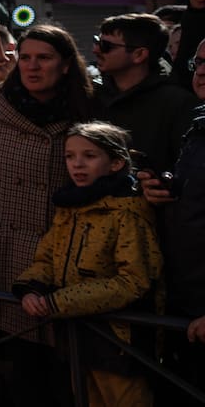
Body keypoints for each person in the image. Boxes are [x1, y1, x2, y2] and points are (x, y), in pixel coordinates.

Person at [0, 25, 95, 403]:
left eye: (43, 58)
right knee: (7, 374)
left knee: (63, 375)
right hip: (2, 256)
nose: (32, 66)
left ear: (65, 65)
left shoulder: (87, 113)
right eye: (26, 57)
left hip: (64, 262)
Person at [14, 122, 161, 407]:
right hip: (79, 333)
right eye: (70, 156)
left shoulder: (127, 212)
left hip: (120, 340)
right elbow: (48, 258)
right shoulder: (71, 206)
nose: (77, 164)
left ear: (116, 163)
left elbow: (133, 281)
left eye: (89, 156)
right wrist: (30, 288)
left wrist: (59, 302)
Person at [139, 33, 205, 391]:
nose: (202, 71)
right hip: (186, 303)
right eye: (200, 62)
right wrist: (165, 185)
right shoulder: (199, 124)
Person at [92, 13, 196, 174]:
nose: (96, 49)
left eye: (106, 46)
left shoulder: (178, 103)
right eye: (96, 41)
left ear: (139, 54)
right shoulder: (91, 94)